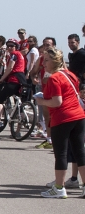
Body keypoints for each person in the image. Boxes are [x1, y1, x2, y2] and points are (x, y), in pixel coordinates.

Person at [35, 48, 85, 198]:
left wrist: (41, 100)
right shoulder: (70, 75)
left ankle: (59, 188)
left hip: (62, 117)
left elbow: (57, 102)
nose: (44, 63)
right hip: (78, 116)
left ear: (55, 62)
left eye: (47, 60)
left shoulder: (54, 78)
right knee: (80, 152)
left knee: (61, 154)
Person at [0, 38, 27, 131]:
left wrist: (2, 79)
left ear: (16, 47)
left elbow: (10, 68)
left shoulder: (14, 55)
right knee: (18, 104)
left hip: (14, 80)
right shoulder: (20, 55)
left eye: (12, 46)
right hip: (21, 80)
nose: (10, 48)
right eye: (8, 46)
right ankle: (18, 129)